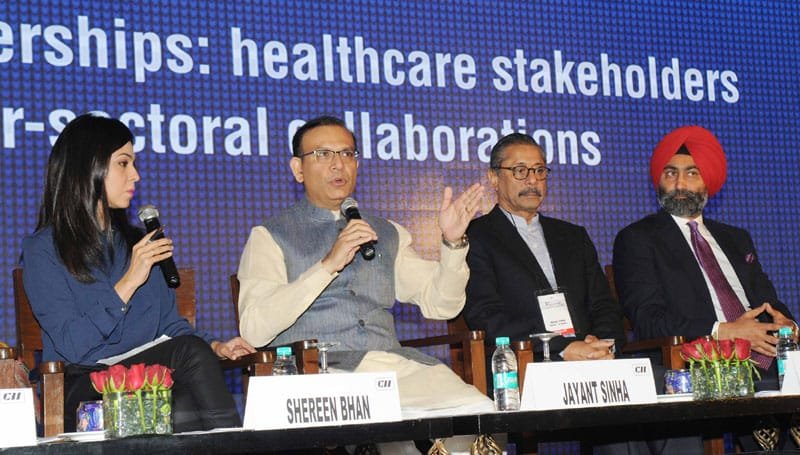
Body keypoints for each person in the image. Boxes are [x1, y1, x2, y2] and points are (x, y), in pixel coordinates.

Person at [237, 115, 492, 415]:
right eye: (323, 154)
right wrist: (327, 266)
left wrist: (452, 245)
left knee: (478, 413)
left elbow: (442, 306)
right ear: (298, 169)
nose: (337, 164)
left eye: (347, 154)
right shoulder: (270, 236)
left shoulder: (386, 231)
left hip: (391, 368)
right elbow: (254, 329)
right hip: (317, 374)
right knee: (386, 426)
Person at [21, 113, 255, 433]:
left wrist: (216, 347)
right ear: (88, 166)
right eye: (123, 163)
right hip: (83, 383)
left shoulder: (136, 244)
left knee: (183, 399)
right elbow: (72, 345)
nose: (136, 175)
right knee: (187, 359)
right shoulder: (44, 249)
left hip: (147, 376)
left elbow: (169, 326)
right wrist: (129, 281)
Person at [613, 125, 796, 384]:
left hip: (768, 357)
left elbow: (768, 301)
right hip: (698, 363)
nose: (679, 184)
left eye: (691, 173)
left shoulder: (736, 238)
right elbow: (648, 320)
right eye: (670, 173)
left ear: (707, 181)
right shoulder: (638, 238)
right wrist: (723, 331)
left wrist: (788, 326)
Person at [464, 132, 624, 368]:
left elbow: (603, 306)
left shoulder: (573, 236)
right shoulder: (477, 236)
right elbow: (486, 317)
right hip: (523, 364)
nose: (532, 180)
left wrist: (600, 344)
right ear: (494, 178)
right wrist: (562, 347)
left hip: (592, 360)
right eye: (520, 170)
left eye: (539, 171)